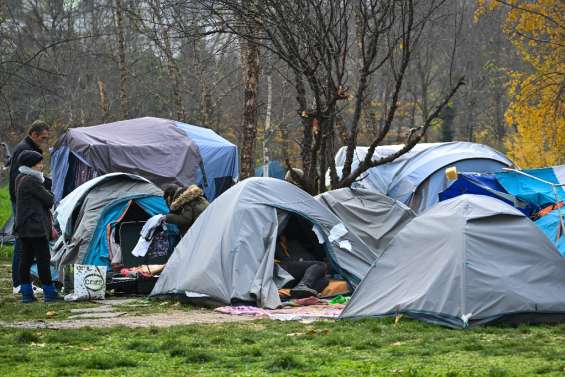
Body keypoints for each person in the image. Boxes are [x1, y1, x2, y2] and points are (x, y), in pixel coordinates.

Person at [7, 120, 50, 295]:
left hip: (23, 200)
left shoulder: (27, 147)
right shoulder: (25, 150)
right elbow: (25, 177)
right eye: (43, 137)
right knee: (23, 243)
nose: (44, 141)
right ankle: (19, 283)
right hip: (24, 202)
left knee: (24, 244)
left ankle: (21, 282)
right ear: (33, 134)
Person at [13, 150, 61, 303]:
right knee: (43, 259)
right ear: (32, 165)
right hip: (35, 227)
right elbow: (49, 200)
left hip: (24, 226)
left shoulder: (20, 178)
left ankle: (26, 294)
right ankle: (49, 292)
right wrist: (47, 187)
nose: (42, 165)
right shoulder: (32, 181)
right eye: (39, 163)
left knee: (26, 259)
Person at [275, 234, 329, 299]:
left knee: (324, 280)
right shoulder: (274, 243)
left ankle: (299, 296)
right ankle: (302, 285)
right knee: (320, 264)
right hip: (276, 271)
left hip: (287, 280)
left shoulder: (293, 244)